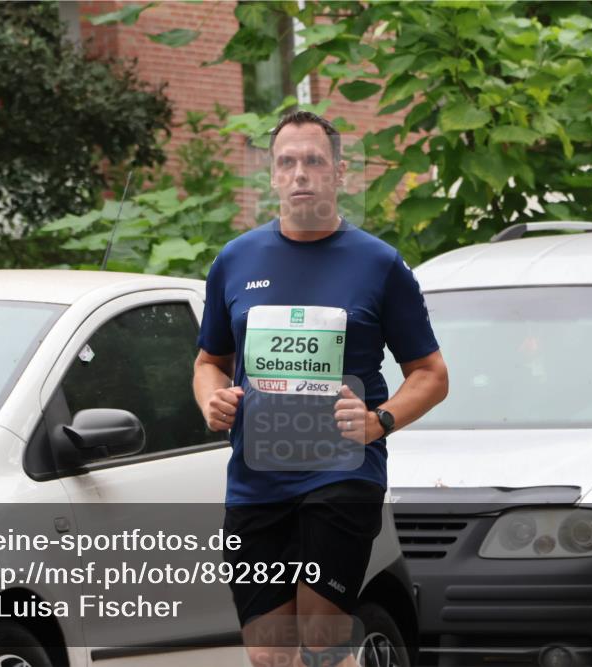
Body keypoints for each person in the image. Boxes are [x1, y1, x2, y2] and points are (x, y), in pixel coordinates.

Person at [192, 110, 449, 667]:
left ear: (339, 173)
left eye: (313, 161)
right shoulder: (234, 261)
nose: (300, 173)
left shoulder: (378, 264)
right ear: (272, 176)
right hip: (257, 478)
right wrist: (210, 398)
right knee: (269, 655)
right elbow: (209, 361)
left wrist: (380, 420)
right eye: (287, 162)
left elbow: (431, 374)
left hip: (342, 470)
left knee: (321, 637)